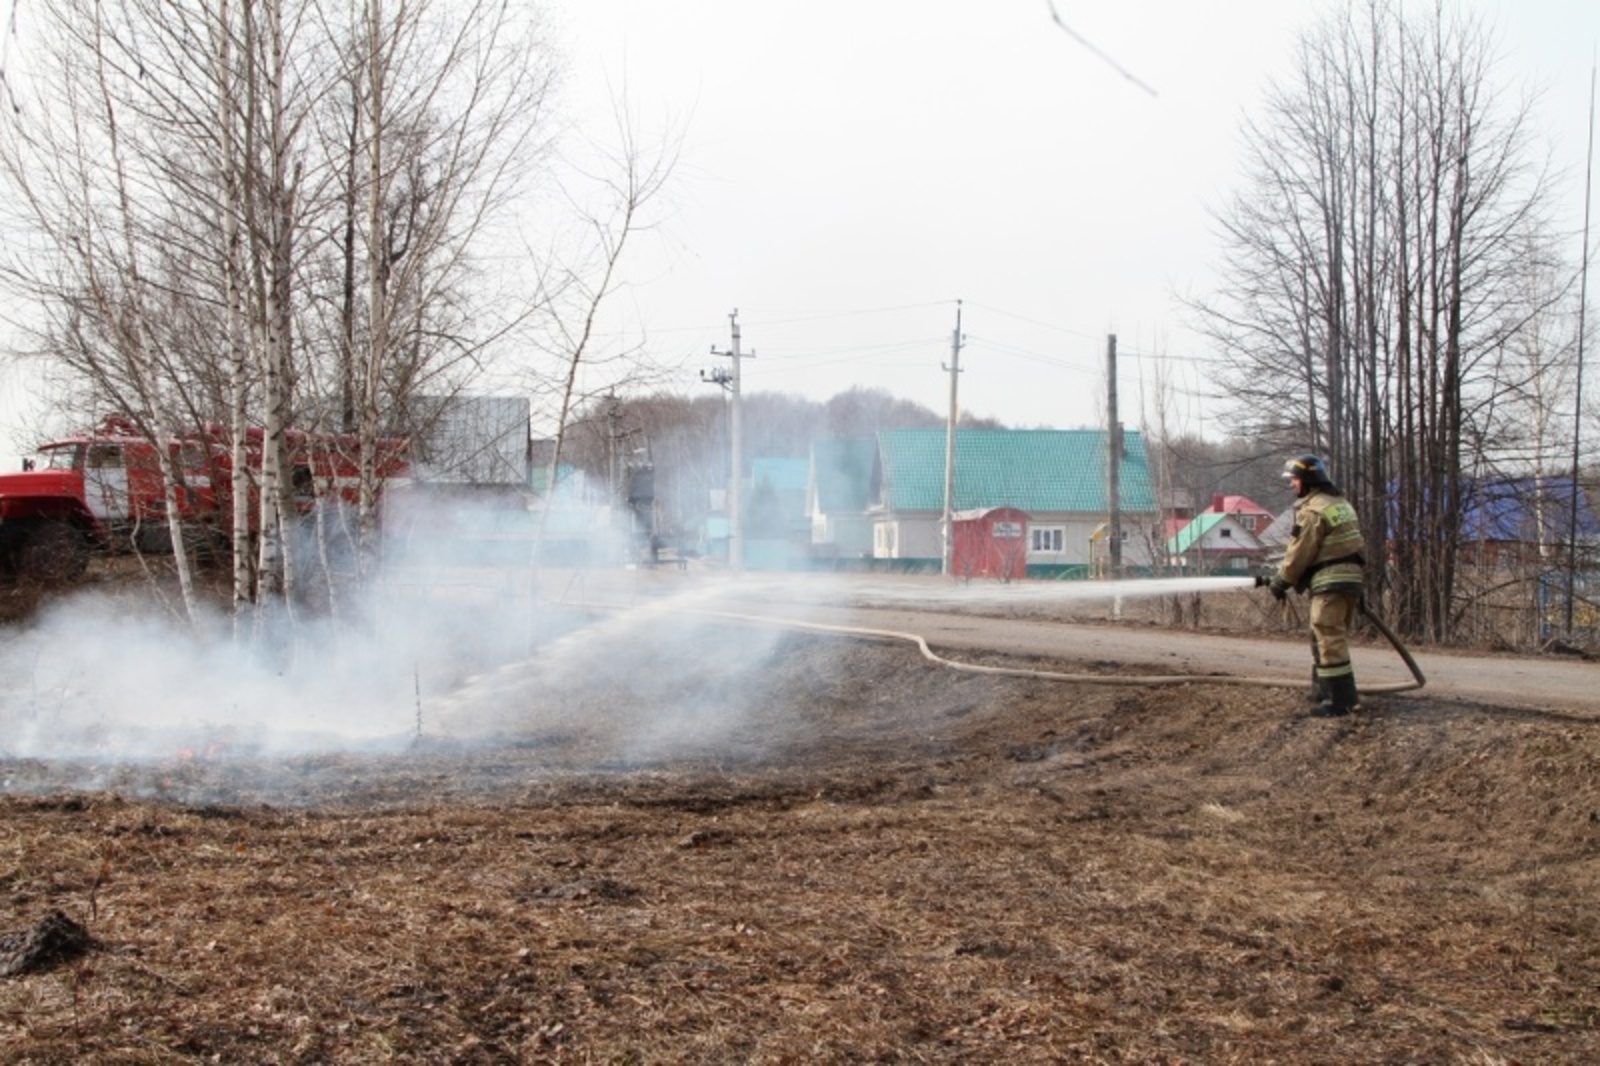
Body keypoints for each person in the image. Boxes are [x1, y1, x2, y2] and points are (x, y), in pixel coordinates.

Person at [1267, 455, 1366, 717]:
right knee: (1323, 634)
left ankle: (1340, 701)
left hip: (1331, 580)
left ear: (1307, 480)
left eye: (1295, 479)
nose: (1292, 485)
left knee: (1327, 634)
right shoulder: (1340, 503)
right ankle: (1324, 690)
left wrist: (1281, 582)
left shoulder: (1313, 511)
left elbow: (1300, 552)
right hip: (1350, 578)